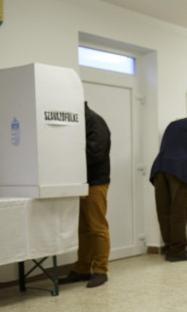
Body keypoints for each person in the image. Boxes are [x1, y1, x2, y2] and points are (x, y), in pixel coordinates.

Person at [60, 102, 111, 288]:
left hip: (96, 182)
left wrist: (66, 159)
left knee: (97, 227)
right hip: (82, 182)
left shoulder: (95, 122)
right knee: (83, 228)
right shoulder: (80, 121)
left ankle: (100, 270)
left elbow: (94, 153)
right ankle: (82, 269)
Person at [150, 110, 187, 262]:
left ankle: (169, 247)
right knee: (179, 210)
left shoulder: (173, 124)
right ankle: (178, 251)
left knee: (164, 210)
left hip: (159, 169)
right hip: (178, 170)